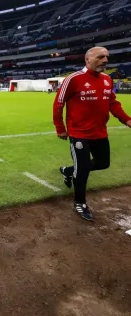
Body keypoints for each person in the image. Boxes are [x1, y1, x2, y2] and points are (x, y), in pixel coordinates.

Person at [53, 47, 131, 221]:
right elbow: (58, 104)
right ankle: (79, 203)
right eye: (100, 57)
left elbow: (112, 103)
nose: (105, 60)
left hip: (99, 131)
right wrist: (60, 127)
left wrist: (126, 119)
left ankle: (67, 170)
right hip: (78, 132)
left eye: (107, 57)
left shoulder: (107, 79)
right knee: (82, 171)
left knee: (103, 163)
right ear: (87, 60)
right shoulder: (72, 79)